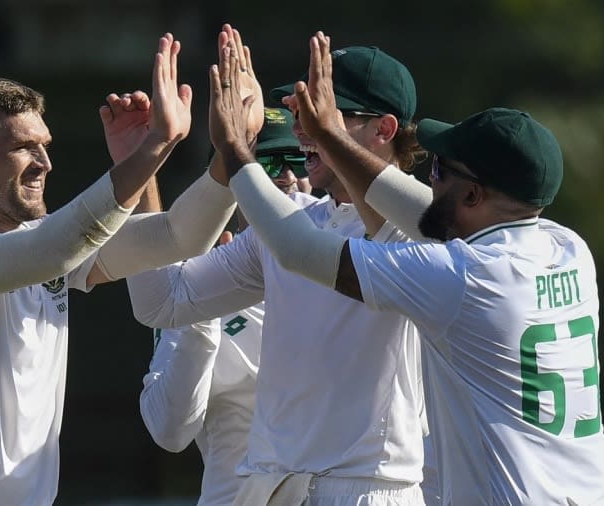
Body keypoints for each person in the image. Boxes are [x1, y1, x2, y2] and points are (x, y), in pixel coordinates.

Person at [214, 31, 604, 505]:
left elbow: (296, 249)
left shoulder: (460, 280)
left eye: (440, 172)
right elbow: (418, 213)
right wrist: (328, 136)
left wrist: (234, 148)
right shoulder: (567, 246)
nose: (429, 178)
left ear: (472, 196)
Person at [0, 33, 244, 505]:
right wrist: (154, 144)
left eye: (45, 145)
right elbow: (58, 251)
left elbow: (175, 239)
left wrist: (231, 149)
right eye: (22, 148)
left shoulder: (45, 243)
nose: (45, 163)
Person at [127, 29, 433, 505]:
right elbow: (162, 301)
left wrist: (237, 150)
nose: (302, 130)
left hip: (371, 491)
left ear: (384, 130)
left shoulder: (422, 232)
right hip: (277, 489)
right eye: (299, 113)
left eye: (325, 113)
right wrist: (141, 161)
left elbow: (373, 229)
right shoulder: (297, 223)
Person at [139, 108, 313, 506]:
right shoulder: (194, 287)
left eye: (298, 159)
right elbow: (170, 431)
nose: (286, 175)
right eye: (266, 162)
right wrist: (203, 319)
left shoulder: (348, 265)